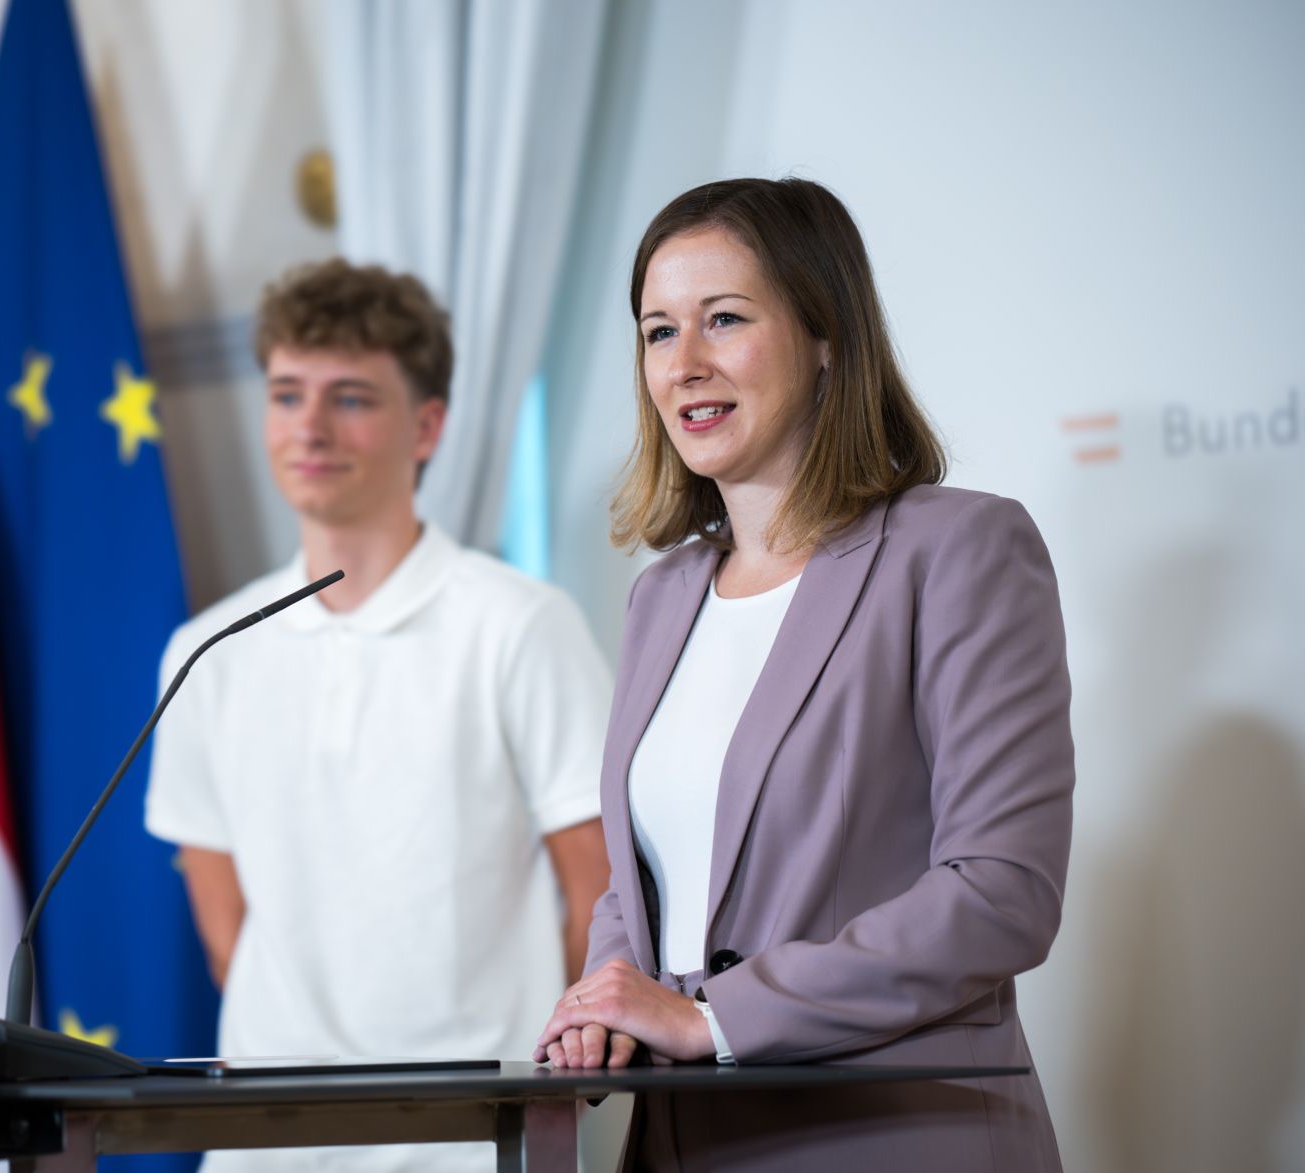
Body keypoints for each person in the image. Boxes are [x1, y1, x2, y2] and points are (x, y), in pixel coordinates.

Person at [533, 178, 1072, 1171]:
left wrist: (715, 1017)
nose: (683, 364)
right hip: (681, 1141)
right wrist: (609, 1000)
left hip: (889, 1136)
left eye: (723, 320)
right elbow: (642, 882)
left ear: (826, 338)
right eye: (657, 332)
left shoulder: (954, 551)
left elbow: (1000, 892)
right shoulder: (662, 595)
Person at [146, 259, 614, 1172]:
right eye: (286, 394)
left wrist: (529, 1073)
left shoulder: (519, 623)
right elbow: (220, 914)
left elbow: (597, 893)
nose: (309, 427)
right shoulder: (208, 649)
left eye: (351, 397)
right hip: (262, 1145)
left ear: (427, 424)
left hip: (470, 1143)